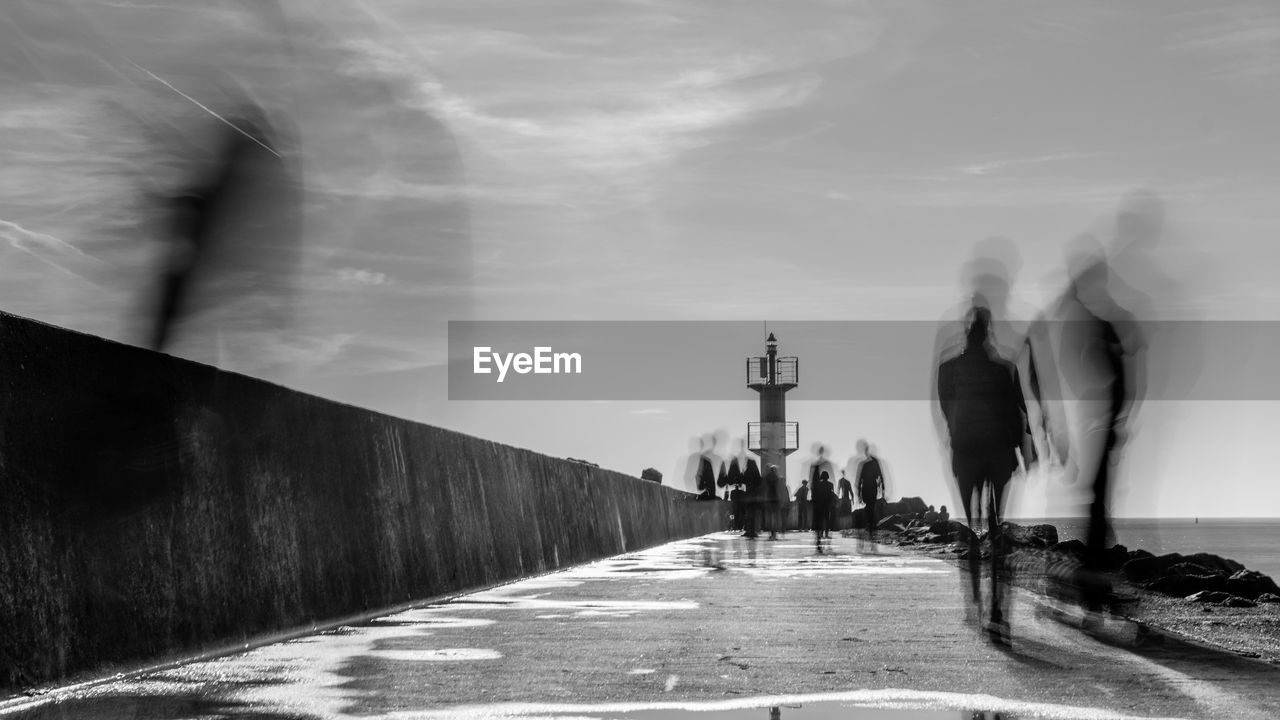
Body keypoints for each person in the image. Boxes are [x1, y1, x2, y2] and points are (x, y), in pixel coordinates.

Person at [937, 305, 1032, 645]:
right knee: (995, 525)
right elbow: (1017, 411)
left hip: (966, 453)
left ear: (967, 330)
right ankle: (996, 608)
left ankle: (975, 597)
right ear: (988, 330)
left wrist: (958, 440)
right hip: (997, 452)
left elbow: (947, 409)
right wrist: (1024, 452)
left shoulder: (949, 369)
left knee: (972, 527)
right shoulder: (1003, 369)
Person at [854, 440, 884, 545]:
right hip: (871, 487)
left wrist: (858, 493)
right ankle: (870, 526)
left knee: (869, 507)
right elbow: (881, 476)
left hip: (867, 487)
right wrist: (883, 489)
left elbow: (859, 480)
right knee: (870, 506)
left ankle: (869, 525)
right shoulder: (873, 463)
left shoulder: (865, 464)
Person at [811, 470, 836, 552]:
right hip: (827, 506)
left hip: (820, 506)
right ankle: (826, 534)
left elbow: (815, 496)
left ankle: (820, 535)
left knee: (820, 521)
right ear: (827, 477)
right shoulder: (830, 485)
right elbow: (832, 495)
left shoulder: (818, 485)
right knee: (827, 520)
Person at [763, 465, 784, 540]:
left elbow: (765, 488)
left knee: (770, 518)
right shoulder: (778, 478)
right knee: (775, 518)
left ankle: (772, 534)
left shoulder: (767, 478)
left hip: (770, 499)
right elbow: (780, 490)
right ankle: (774, 534)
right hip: (776, 499)